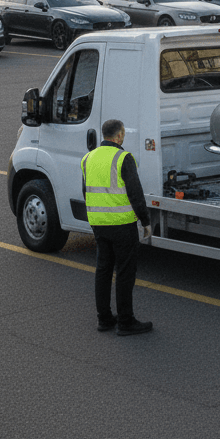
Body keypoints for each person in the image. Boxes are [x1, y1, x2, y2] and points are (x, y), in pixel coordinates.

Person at [81, 119, 153, 336]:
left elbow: (85, 192)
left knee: (103, 270)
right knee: (124, 273)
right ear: (119, 135)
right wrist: (145, 221)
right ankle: (125, 321)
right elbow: (135, 194)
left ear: (104, 135)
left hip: (98, 224)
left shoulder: (87, 158)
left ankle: (104, 319)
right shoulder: (123, 158)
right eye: (123, 135)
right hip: (122, 225)